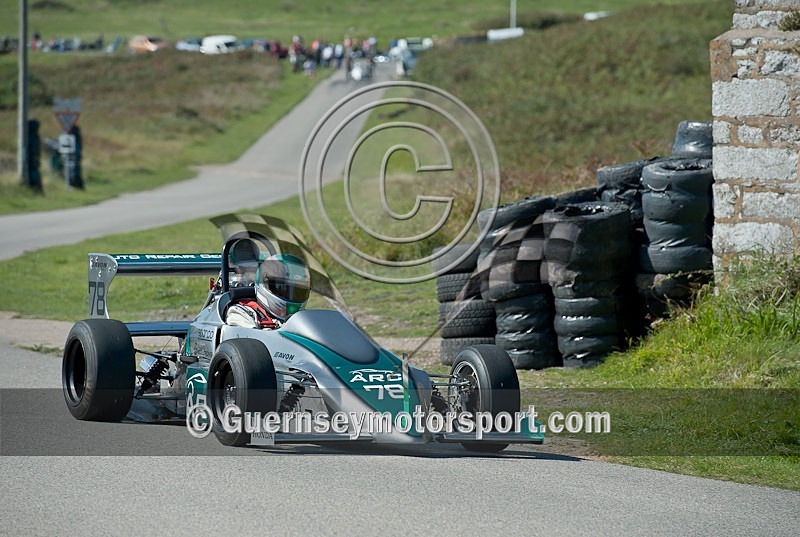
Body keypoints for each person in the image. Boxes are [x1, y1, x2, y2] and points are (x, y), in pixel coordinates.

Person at [226, 253, 311, 329]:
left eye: (298, 292)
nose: (291, 295)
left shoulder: (305, 319)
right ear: (263, 284)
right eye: (282, 289)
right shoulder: (241, 313)